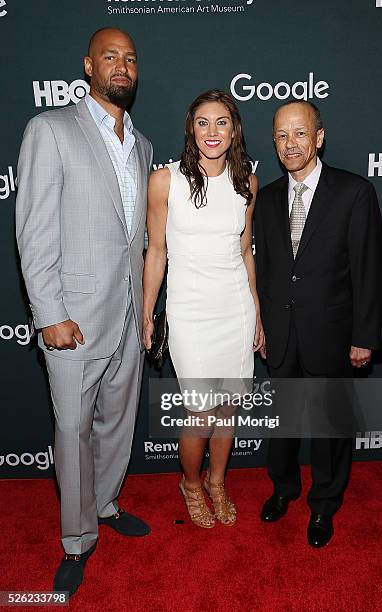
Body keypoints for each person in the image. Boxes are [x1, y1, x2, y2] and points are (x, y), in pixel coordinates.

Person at [15, 27, 153, 595]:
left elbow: (136, 239)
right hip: (71, 316)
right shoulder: (50, 130)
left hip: (125, 314)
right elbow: (34, 229)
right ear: (88, 67)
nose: (122, 67)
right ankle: (77, 540)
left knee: (117, 421)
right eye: (110, 57)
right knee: (72, 429)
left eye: (130, 59)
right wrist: (48, 312)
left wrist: (144, 310)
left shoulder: (141, 145)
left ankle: (106, 502)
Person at [255, 100, 382, 547]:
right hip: (282, 335)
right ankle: (283, 489)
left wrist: (364, 336)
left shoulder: (354, 192)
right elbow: (269, 270)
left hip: (332, 336)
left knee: (330, 430)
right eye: (281, 136)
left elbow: (369, 269)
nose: (290, 144)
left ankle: (324, 504)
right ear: (273, 142)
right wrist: (264, 327)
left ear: (319, 137)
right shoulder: (268, 198)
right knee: (284, 424)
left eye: (299, 134)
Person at [143, 89, 264, 528]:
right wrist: (146, 312)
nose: (212, 132)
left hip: (235, 307)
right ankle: (190, 484)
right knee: (201, 409)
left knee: (229, 406)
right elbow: (156, 252)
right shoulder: (164, 181)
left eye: (222, 122)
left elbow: (246, 251)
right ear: (190, 129)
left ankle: (217, 482)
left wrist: (257, 312)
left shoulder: (246, 182)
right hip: (190, 311)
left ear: (234, 129)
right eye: (203, 123)